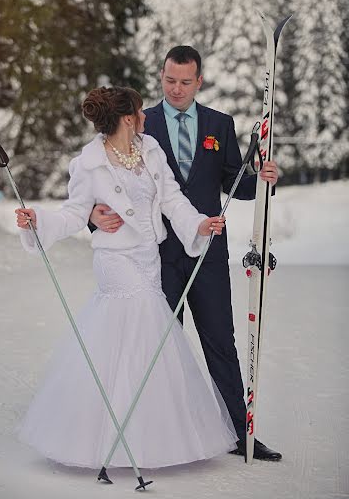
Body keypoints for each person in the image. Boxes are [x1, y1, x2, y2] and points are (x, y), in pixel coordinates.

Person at [14, 85, 239, 469]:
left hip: (148, 258)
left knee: (149, 342)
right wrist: (39, 222)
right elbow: (73, 212)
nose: (146, 116)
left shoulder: (150, 151)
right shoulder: (89, 163)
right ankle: (107, 439)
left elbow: (172, 200)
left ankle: (151, 436)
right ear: (127, 117)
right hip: (116, 259)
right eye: (140, 110)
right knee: (138, 326)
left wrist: (199, 225)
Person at [90, 47, 282, 461]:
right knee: (161, 345)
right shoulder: (141, 123)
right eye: (169, 80)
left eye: (185, 82)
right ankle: (160, 434)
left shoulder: (219, 124)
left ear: (199, 81)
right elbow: (105, 181)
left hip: (207, 251)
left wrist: (261, 178)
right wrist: (93, 214)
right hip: (154, 255)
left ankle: (238, 433)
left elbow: (235, 184)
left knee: (221, 343)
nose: (176, 89)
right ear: (161, 76)